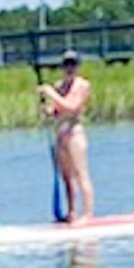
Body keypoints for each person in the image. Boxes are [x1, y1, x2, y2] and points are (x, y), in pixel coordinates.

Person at [36, 50, 95, 225]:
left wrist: (50, 93)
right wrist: (47, 109)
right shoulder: (59, 85)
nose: (70, 68)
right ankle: (71, 213)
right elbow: (57, 111)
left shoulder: (82, 85)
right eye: (67, 65)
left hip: (75, 133)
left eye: (73, 65)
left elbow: (72, 107)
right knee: (66, 177)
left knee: (80, 173)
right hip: (60, 134)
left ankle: (88, 214)